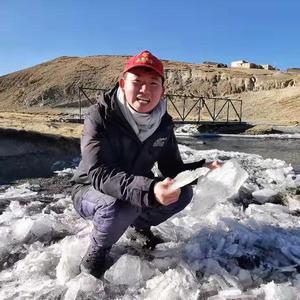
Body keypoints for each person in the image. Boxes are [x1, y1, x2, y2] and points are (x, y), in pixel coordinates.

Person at [71, 50, 221, 278]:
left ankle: (139, 226)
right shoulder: (100, 115)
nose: (145, 90)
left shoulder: (163, 123)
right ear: (122, 83)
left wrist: (203, 168)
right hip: (90, 191)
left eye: (153, 83)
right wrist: (150, 189)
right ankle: (98, 249)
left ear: (163, 90)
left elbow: (171, 168)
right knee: (124, 205)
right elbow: (99, 174)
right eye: (137, 82)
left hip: (135, 189)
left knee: (182, 192)